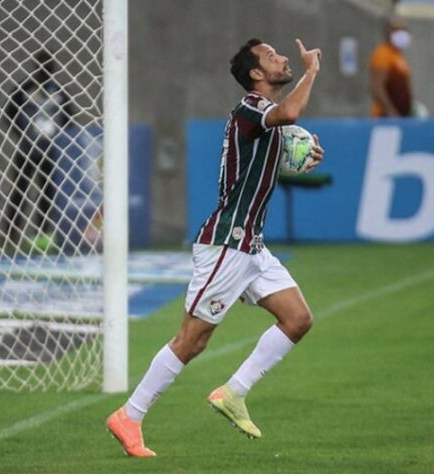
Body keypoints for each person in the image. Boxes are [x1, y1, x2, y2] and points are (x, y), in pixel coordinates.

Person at [106, 38, 325, 457]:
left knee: (297, 319)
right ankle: (129, 416)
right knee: (192, 340)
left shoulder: (265, 119)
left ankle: (234, 392)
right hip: (227, 243)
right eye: (272, 56)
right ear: (256, 74)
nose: (283, 59)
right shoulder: (250, 108)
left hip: (252, 247)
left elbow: (276, 145)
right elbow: (289, 114)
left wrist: (302, 156)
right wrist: (311, 71)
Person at [3, 51, 75, 247]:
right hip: (27, 150)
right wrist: (23, 133)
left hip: (50, 152)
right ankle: (9, 236)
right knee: (20, 192)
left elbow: (69, 119)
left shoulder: (59, 93)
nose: (45, 70)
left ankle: (41, 236)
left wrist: (59, 139)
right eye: (42, 65)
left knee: (46, 194)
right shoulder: (24, 90)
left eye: (49, 66)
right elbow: (9, 113)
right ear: (36, 67)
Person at [369, 16, 413, 118]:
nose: (401, 33)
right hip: (385, 117)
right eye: (396, 29)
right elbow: (377, 87)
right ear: (388, 31)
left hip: (402, 116)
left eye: (404, 29)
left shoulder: (398, 56)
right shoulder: (382, 54)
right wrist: (391, 111)